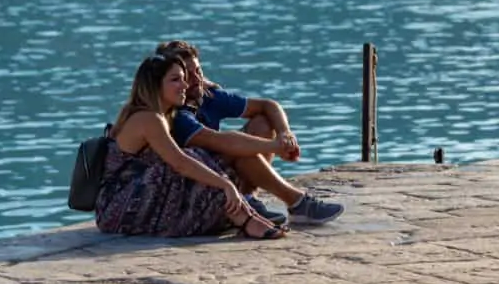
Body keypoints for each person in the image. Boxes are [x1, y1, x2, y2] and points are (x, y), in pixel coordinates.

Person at [95, 54, 285, 239]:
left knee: (208, 161)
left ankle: (242, 214)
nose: (185, 85)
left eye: (184, 79)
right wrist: (225, 184)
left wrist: (204, 85)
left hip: (142, 197)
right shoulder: (148, 118)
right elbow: (180, 163)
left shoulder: (164, 115)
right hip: (118, 207)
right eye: (176, 80)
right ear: (155, 86)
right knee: (192, 157)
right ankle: (246, 220)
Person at [155, 40, 344, 225]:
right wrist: (276, 147)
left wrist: (285, 134)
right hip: (185, 188)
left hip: (218, 173)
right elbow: (219, 142)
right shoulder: (174, 113)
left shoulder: (205, 95)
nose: (196, 79)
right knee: (240, 151)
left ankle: (249, 197)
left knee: (263, 122)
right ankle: (297, 202)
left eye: (198, 71)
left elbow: (268, 105)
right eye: (187, 75)